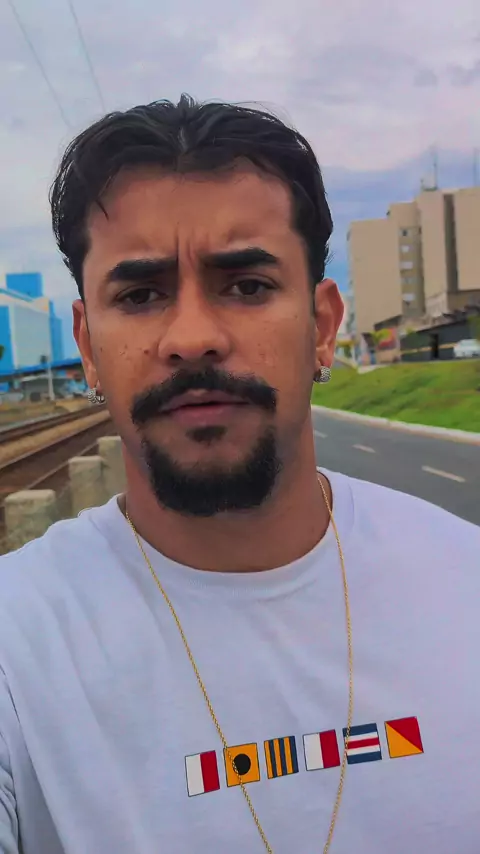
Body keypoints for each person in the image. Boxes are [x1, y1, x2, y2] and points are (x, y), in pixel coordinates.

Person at [0, 95, 479, 854]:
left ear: (323, 327)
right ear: (87, 346)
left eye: (247, 286)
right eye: (141, 294)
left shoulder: (465, 581)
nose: (193, 337)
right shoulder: (18, 645)